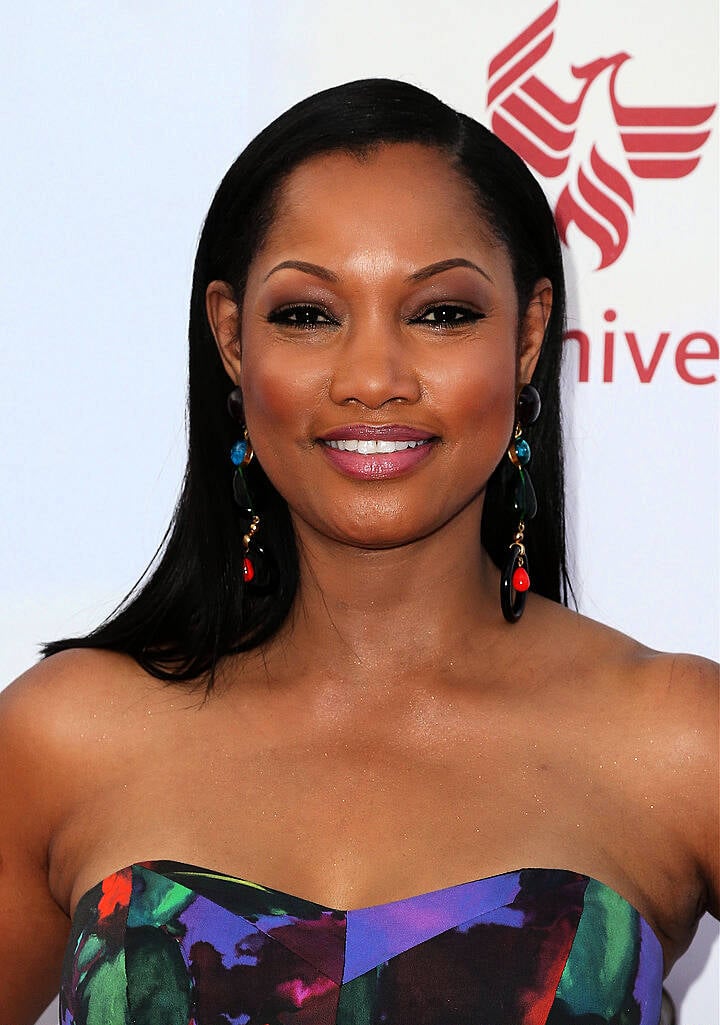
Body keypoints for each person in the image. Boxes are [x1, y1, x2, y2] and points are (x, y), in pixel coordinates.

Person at [0, 79, 716, 1025]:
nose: (372, 379)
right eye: (308, 314)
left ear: (531, 332)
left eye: (442, 313)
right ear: (229, 337)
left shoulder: (679, 744)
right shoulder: (60, 741)